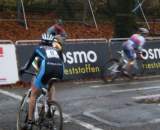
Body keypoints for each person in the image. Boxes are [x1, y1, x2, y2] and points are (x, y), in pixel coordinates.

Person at [19, 33, 64, 130]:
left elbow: (28, 64)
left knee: (34, 94)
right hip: (60, 70)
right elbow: (62, 61)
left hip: (46, 69)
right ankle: (51, 106)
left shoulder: (38, 48)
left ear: (41, 41)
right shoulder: (57, 49)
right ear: (51, 43)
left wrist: (23, 69)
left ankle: (30, 121)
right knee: (51, 84)